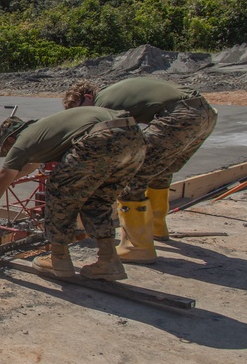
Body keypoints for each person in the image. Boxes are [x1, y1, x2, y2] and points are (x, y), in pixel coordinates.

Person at [0, 107, 146, 281]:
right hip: (134, 137)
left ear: (10, 141)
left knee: (58, 193)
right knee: (97, 200)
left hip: (100, 138)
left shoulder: (21, 144)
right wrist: (4, 181)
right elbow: (30, 166)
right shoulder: (44, 130)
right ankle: (109, 262)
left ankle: (58, 260)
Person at [63, 78, 217, 263]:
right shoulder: (116, 92)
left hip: (180, 116)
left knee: (129, 176)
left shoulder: (103, 104)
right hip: (205, 113)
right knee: (159, 169)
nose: (83, 115)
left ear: (88, 97)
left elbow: (111, 140)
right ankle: (157, 227)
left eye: (80, 109)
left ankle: (137, 247)